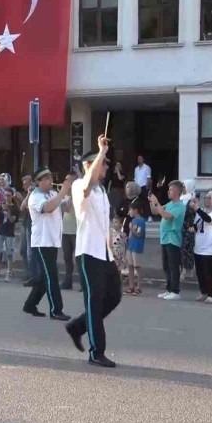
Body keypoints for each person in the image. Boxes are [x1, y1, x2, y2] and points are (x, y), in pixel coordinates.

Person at [65, 137, 122, 368]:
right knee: (94, 302)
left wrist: (112, 249)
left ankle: (77, 326)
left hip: (104, 253)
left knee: (114, 296)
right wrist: (101, 152)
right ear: (89, 166)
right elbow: (87, 185)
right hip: (88, 253)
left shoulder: (102, 192)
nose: (106, 167)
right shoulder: (81, 185)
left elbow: (103, 223)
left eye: (106, 164)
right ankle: (96, 352)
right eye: (102, 164)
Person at [22, 166, 72, 320]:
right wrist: (64, 191)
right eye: (47, 178)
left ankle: (30, 305)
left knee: (44, 278)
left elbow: (68, 209)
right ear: (39, 182)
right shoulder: (35, 197)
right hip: (41, 242)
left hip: (52, 241)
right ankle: (56, 310)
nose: (51, 181)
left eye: (51, 177)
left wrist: (70, 193)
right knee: (51, 277)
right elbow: (49, 208)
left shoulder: (53, 193)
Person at [149, 181, 186, 301]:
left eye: (170, 190)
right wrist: (152, 201)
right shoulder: (170, 203)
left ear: (176, 191)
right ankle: (169, 289)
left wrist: (156, 202)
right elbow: (156, 211)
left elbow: (166, 215)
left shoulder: (180, 206)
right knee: (166, 266)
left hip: (173, 239)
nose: (168, 192)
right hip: (164, 239)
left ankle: (175, 291)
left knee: (173, 266)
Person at [192, 191, 212, 304]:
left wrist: (197, 209)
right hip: (199, 246)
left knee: (209, 272)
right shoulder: (202, 211)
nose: (206, 200)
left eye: (209, 198)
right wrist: (193, 227)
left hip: (211, 248)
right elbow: (197, 224)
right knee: (200, 272)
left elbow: (208, 219)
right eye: (206, 198)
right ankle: (203, 291)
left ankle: (211, 295)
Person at [0, 189, 18, 282]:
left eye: (8, 195)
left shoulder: (15, 207)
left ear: (12, 196)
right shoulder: (1, 204)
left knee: (9, 254)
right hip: (0, 231)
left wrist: (8, 211)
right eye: (5, 195)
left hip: (9, 233)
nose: (6, 197)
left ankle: (9, 273)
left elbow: (12, 220)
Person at [19, 175, 39, 286]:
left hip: (32, 224)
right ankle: (29, 273)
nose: (23, 185)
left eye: (25, 182)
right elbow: (22, 207)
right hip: (25, 223)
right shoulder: (29, 193)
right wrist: (28, 193)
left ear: (32, 182)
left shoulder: (36, 193)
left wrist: (31, 192)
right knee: (23, 250)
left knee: (30, 251)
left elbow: (25, 207)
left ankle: (34, 276)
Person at [60, 172, 78, 290]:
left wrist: (71, 194)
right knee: (67, 258)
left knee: (79, 259)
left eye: (68, 180)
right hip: (65, 230)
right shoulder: (64, 195)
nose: (65, 182)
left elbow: (67, 208)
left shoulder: (78, 195)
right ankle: (68, 281)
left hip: (76, 231)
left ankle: (83, 283)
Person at [125, 201, 146, 296]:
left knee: (137, 266)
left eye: (130, 210)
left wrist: (132, 229)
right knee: (130, 265)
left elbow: (138, 233)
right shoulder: (132, 221)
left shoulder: (140, 221)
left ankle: (139, 286)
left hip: (137, 246)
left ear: (135, 210)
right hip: (131, 245)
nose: (129, 212)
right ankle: (131, 286)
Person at [180, 180, 197, 281]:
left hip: (188, 228)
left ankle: (187, 270)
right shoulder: (181, 199)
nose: (183, 188)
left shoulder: (192, 200)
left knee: (187, 249)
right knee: (181, 250)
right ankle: (183, 270)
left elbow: (189, 213)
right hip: (180, 228)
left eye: (184, 186)